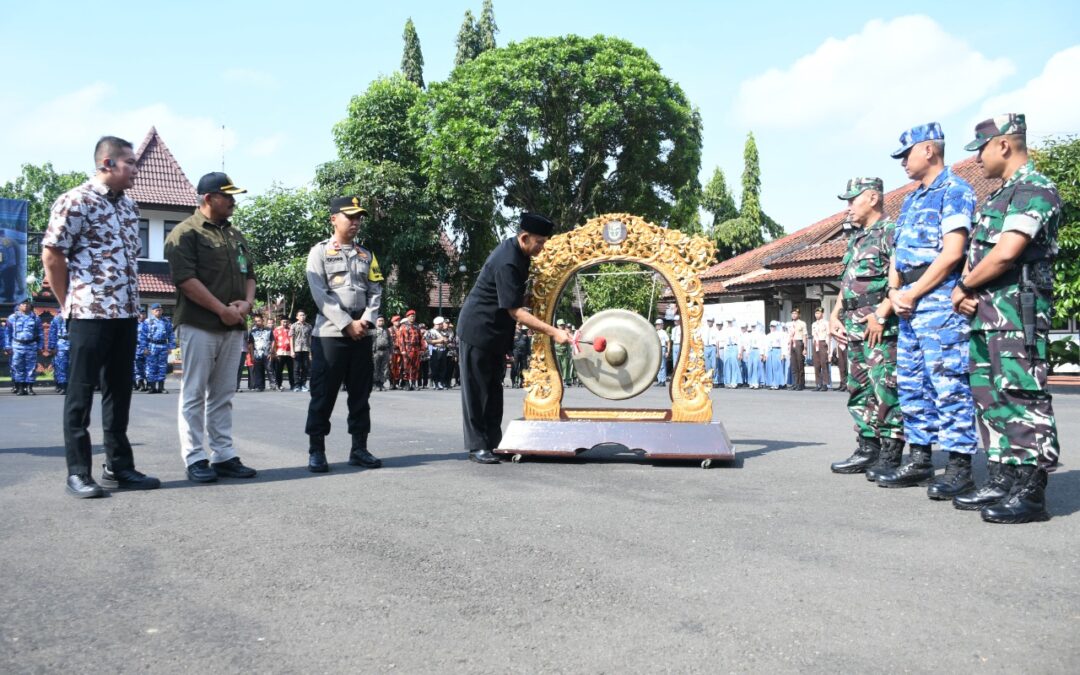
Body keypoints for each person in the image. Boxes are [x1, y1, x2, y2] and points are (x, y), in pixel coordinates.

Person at [951, 114, 1062, 523]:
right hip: (986, 314)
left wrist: (963, 287)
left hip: (1017, 311)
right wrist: (966, 292)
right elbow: (978, 254)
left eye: (981, 149)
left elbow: (1006, 253)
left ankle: (1031, 491)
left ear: (1003, 144)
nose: (977, 158)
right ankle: (1002, 478)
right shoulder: (999, 196)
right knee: (989, 396)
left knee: (1021, 394)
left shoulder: (1034, 189)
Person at [42, 135, 160, 497]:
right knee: (80, 394)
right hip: (89, 313)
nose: (136, 171)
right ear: (107, 163)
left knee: (119, 392)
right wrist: (68, 303)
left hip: (126, 313)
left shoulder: (130, 207)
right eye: (130, 163)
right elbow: (52, 255)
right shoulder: (75, 200)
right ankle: (78, 472)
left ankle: (118, 467)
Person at [881, 122, 979, 495]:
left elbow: (953, 253)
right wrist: (895, 292)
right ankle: (920, 459)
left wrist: (914, 293)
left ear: (928, 150)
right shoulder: (911, 199)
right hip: (907, 301)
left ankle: (959, 467)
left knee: (947, 383)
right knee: (912, 383)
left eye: (906, 154)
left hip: (938, 301)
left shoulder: (955, 190)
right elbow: (897, 255)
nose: (902, 162)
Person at [165, 171, 258, 484]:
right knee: (194, 393)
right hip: (199, 324)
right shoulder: (184, 233)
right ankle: (194, 457)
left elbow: (250, 275)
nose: (233, 201)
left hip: (233, 325)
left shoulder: (235, 235)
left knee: (223, 394)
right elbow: (185, 280)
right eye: (227, 196)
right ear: (208, 198)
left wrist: (246, 305)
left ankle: (223, 455)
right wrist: (222, 310)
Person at [456, 213, 571, 463]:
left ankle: (494, 443)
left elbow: (513, 296)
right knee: (477, 391)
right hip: (478, 330)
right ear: (524, 237)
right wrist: (554, 332)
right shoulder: (507, 261)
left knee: (493, 390)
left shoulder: (521, 254)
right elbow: (516, 312)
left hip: (496, 334)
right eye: (539, 242)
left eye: (545, 242)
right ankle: (477, 446)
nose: (542, 247)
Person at [827, 178, 906, 478]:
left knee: (884, 387)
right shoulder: (857, 238)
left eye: (853, 200)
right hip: (853, 326)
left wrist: (882, 314)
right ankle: (867, 447)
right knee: (858, 388)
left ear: (873, 198)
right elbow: (847, 283)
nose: (848, 207)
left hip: (878, 327)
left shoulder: (891, 232)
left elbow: (900, 280)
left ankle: (891, 452)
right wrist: (834, 315)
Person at [303, 196, 383, 472]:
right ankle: (316, 450)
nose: (356, 221)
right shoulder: (319, 252)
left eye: (359, 217)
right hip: (330, 334)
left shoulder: (367, 255)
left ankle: (359, 448)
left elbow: (375, 291)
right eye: (350, 216)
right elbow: (319, 293)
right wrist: (346, 323)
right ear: (334, 219)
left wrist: (367, 321)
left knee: (361, 395)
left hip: (362, 333)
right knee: (323, 394)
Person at [5, 298, 43, 396]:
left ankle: (29, 388)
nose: (25, 306)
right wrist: (7, 346)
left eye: (27, 304)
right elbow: (7, 333)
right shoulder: (12, 318)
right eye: (23, 304)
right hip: (17, 345)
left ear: (30, 306)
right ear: (19, 306)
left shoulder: (35, 318)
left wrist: (40, 347)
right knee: (17, 367)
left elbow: (40, 334)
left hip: (31, 345)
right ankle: (20, 388)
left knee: (31, 367)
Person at [143, 303, 175, 393]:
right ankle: (152, 387)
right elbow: (143, 336)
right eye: (156, 310)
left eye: (160, 310)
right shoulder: (147, 321)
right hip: (152, 346)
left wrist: (170, 347)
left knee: (162, 367)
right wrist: (144, 348)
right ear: (152, 311)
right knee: (151, 367)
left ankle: (161, 387)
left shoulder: (166, 321)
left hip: (163, 346)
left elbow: (171, 335)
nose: (159, 311)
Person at [397, 310, 423, 390]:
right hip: (407, 348)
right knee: (406, 367)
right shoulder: (403, 327)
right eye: (411, 316)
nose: (413, 318)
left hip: (416, 348)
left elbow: (421, 338)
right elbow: (401, 339)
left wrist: (422, 348)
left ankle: (414, 384)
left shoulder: (417, 326)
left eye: (414, 316)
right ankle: (407, 383)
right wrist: (403, 350)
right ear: (407, 317)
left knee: (415, 366)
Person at [247, 315, 272, 391]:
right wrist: (252, 356)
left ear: (262, 321)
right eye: (256, 321)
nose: (257, 322)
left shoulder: (268, 330)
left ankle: (273, 385)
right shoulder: (252, 332)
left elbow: (272, 341)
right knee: (258, 371)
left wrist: (271, 352)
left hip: (267, 353)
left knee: (270, 369)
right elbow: (250, 344)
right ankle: (260, 386)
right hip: (257, 354)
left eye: (259, 321)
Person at [47, 313, 70, 393]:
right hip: (61, 343)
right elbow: (52, 333)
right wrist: (52, 347)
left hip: (74, 343)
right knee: (61, 366)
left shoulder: (78, 316)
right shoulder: (57, 318)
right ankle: (62, 386)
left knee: (75, 367)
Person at [290, 311, 311, 392]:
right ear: (297, 317)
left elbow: (310, 339)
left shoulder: (309, 326)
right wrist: (292, 350)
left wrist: (310, 352)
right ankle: (297, 385)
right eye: (301, 315)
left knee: (305, 367)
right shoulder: (294, 325)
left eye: (303, 315)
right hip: (297, 349)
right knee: (296, 368)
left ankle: (303, 384)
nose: (302, 316)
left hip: (306, 349)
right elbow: (291, 338)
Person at [811, 307, 831, 391]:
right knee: (816, 364)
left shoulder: (826, 323)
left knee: (824, 364)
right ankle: (818, 383)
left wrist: (829, 349)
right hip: (816, 343)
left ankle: (825, 384)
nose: (817, 315)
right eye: (816, 313)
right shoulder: (814, 324)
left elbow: (828, 336)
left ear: (822, 314)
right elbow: (813, 335)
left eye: (818, 313)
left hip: (823, 343)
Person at [787, 308, 808, 390]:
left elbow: (805, 335)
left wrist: (805, 348)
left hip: (799, 342)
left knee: (800, 364)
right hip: (792, 343)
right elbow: (789, 336)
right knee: (793, 364)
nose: (794, 315)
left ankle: (801, 383)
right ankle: (795, 383)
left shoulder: (802, 323)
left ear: (799, 315)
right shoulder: (789, 324)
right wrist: (789, 347)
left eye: (795, 313)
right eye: (792, 313)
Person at [272, 317, 293, 391]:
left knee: (291, 370)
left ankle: (292, 385)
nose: (285, 323)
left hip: (290, 353)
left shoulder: (291, 329)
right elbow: (274, 341)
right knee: (279, 370)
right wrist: (274, 352)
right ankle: (279, 385)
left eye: (286, 322)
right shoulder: (276, 330)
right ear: (280, 322)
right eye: (283, 322)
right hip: (280, 352)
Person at [372, 316, 392, 391]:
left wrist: (391, 352)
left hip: (385, 351)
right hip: (376, 351)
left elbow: (390, 341)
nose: (381, 322)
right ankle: (375, 384)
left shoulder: (386, 330)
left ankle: (381, 383)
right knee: (375, 368)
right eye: (379, 320)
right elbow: (371, 341)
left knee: (384, 368)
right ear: (376, 321)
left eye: (382, 320)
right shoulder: (373, 330)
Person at [765, 321, 786, 389]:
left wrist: (783, 354)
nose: (772, 328)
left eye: (773, 326)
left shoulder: (780, 335)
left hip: (777, 350)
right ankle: (772, 383)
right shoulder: (768, 335)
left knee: (777, 367)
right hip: (770, 351)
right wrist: (765, 354)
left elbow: (783, 344)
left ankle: (777, 383)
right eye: (771, 326)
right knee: (771, 368)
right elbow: (766, 346)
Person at [133, 309, 148, 391]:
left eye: (144, 314)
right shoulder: (134, 324)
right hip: (137, 348)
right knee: (137, 367)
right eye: (141, 314)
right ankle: (140, 383)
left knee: (148, 367)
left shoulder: (149, 324)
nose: (142, 315)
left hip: (147, 348)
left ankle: (149, 384)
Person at [388, 314, 402, 389]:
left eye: (399, 320)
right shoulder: (389, 330)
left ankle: (397, 383)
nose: (398, 322)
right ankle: (391, 383)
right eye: (396, 321)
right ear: (393, 322)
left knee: (399, 367)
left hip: (400, 351)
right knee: (391, 367)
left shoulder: (402, 329)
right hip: (392, 351)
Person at [655, 318, 670, 386]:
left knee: (662, 365)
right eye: (656, 324)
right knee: (658, 365)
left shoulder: (663, 332)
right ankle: (659, 380)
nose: (657, 326)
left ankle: (663, 380)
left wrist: (668, 351)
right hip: (657, 349)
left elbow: (668, 341)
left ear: (661, 325)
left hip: (662, 348)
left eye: (658, 324)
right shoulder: (656, 332)